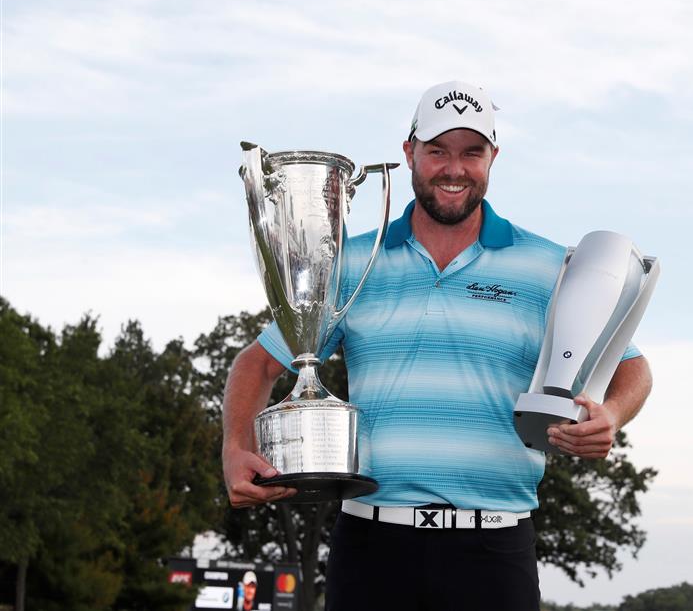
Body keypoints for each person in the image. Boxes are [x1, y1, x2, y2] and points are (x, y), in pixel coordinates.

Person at [222, 80, 653, 611]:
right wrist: (236, 448)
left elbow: (633, 368)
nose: (455, 168)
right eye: (437, 151)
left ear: (493, 157)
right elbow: (257, 364)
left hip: (494, 547)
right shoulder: (351, 260)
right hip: (370, 545)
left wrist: (610, 414)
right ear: (409, 154)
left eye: (472, 152)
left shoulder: (548, 267)